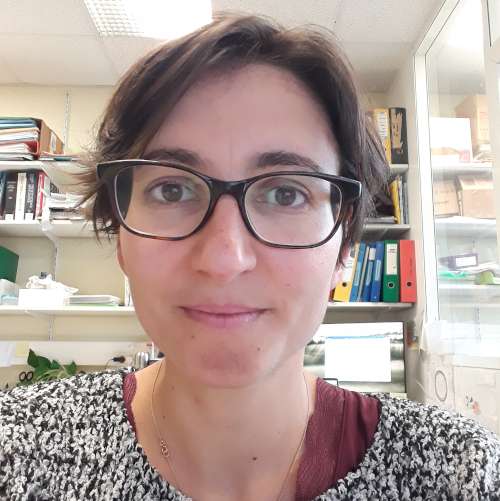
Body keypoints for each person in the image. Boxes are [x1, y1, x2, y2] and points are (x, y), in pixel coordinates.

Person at [1, 13, 499, 501]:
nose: (225, 259)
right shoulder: (17, 452)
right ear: (120, 236)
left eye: (285, 194)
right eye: (172, 190)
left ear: (344, 247)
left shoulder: (463, 474)